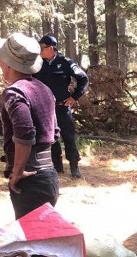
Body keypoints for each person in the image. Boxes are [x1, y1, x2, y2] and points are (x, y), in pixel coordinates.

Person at [0, 32, 60, 219]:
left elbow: (25, 133)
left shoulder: (15, 92)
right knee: (40, 239)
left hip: (30, 180)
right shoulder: (43, 88)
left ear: (7, 63)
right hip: (48, 175)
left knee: (32, 242)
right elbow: (54, 132)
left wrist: (17, 172)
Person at [34, 34, 89, 179]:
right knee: (51, 138)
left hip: (62, 107)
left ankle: (74, 167)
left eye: (42, 48)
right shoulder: (38, 63)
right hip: (45, 108)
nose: (40, 50)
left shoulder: (65, 62)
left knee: (68, 137)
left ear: (51, 48)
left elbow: (83, 78)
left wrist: (74, 97)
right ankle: (57, 166)